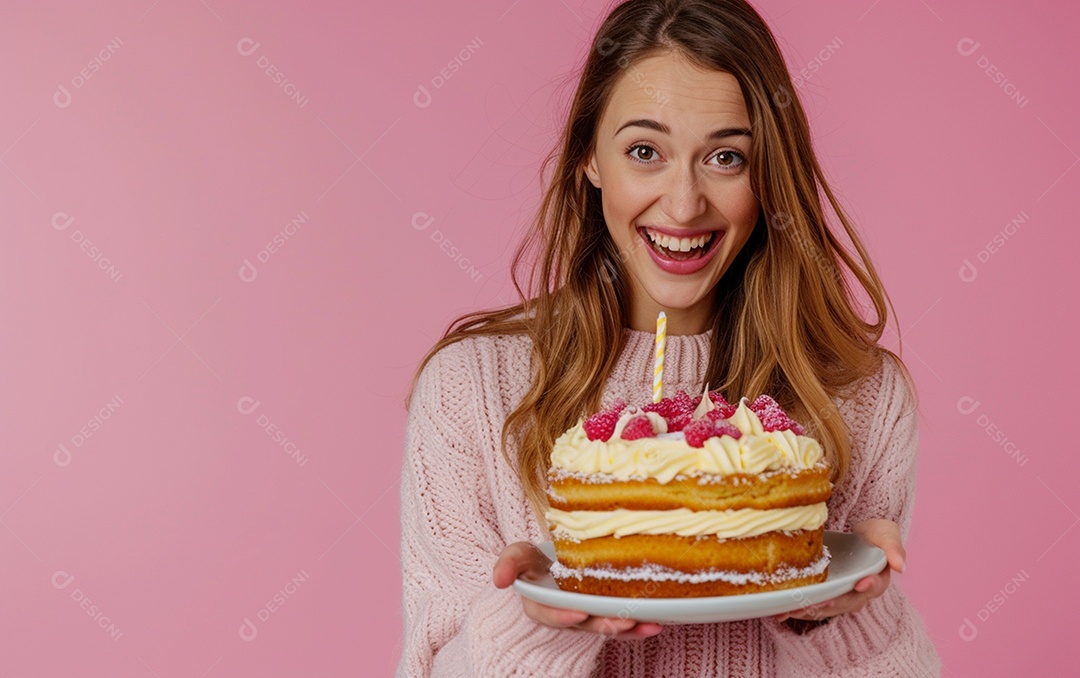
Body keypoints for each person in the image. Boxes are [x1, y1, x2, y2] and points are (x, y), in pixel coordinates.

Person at [397, 0, 941, 675]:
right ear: (590, 160)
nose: (684, 205)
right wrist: (536, 624)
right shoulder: (472, 392)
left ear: (767, 171)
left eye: (726, 157)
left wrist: (850, 616)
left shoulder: (857, 397)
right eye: (645, 151)